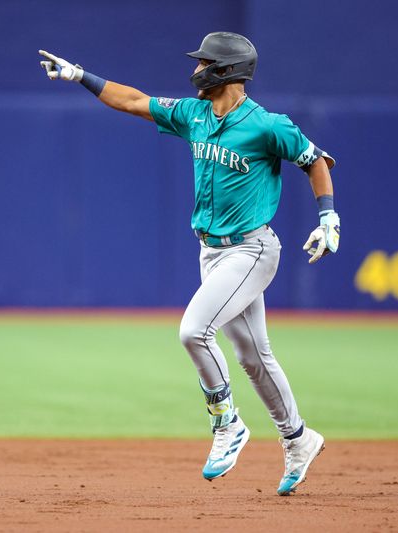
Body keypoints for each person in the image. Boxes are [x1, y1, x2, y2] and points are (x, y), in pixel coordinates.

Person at [39, 31, 339, 496]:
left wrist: (328, 217)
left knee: (193, 330)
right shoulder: (195, 115)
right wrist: (81, 75)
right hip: (213, 251)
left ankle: (227, 423)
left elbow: (316, 161)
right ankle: (299, 439)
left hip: (252, 248)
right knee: (252, 357)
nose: (196, 71)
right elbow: (135, 101)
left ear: (227, 71)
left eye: (204, 64)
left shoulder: (267, 125)